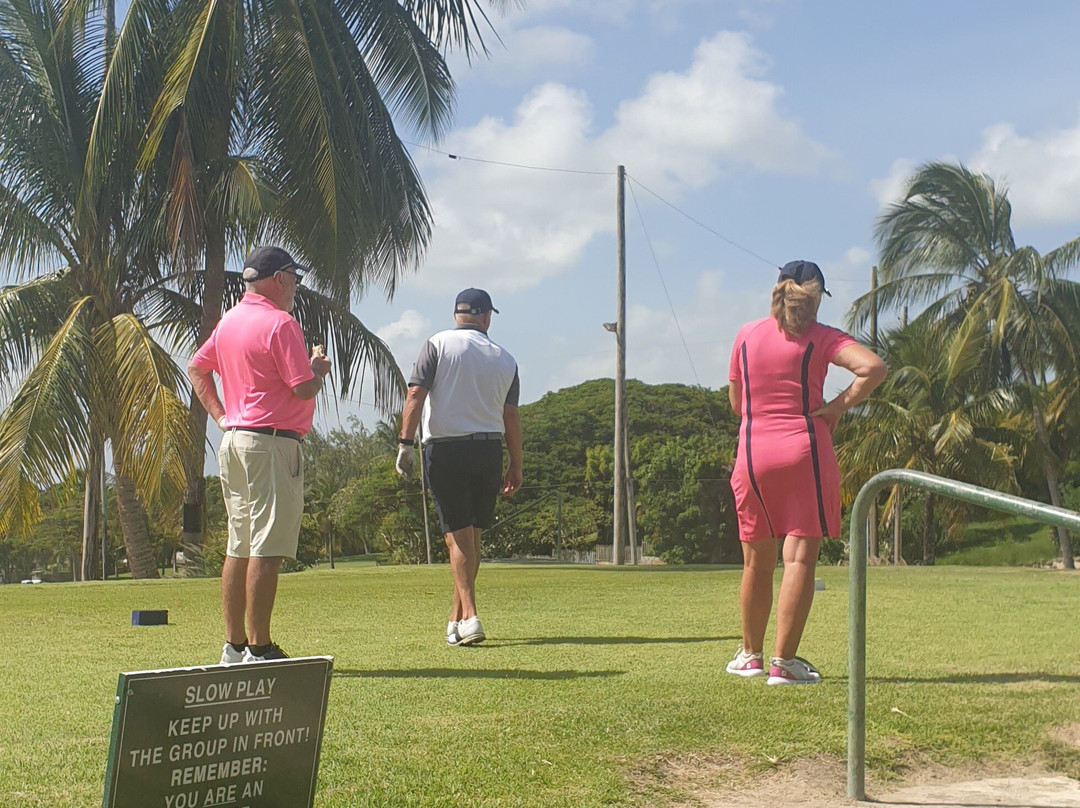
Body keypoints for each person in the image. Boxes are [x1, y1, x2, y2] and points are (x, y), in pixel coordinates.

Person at [726, 260, 886, 684]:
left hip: (751, 454)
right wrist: (835, 408)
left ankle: (750, 656)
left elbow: (736, 403)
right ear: (817, 298)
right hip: (804, 450)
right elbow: (873, 368)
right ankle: (785, 664)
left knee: (755, 563)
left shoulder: (746, 334)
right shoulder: (822, 336)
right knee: (798, 558)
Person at [188, 246, 331, 664]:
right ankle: (259, 647)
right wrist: (317, 368)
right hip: (271, 442)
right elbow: (302, 388)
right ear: (281, 279)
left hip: (234, 440)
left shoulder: (229, 321)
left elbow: (198, 368)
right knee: (267, 547)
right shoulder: (281, 323)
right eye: (295, 280)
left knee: (240, 544)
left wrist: (221, 416)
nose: (296, 289)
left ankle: (234, 646)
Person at [395, 288, 522, 647]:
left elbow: (416, 393)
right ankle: (455, 619)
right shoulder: (506, 358)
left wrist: (405, 444)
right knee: (470, 537)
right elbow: (510, 416)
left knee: (457, 535)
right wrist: (516, 464)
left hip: (445, 448)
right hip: (488, 450)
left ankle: (472, 616)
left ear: (456, 314)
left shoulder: (436, 344)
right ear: (486, 317)